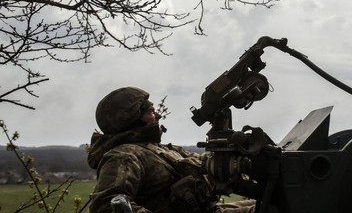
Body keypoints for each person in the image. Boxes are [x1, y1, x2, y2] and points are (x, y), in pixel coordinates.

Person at [87, 87, 255, 213]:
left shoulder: (158, 150)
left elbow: (204, 163)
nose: (158, 115)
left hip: (211, 209)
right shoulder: (124, 156)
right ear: (132, 118)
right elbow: (105, 206)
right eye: (151, 111)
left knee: (273, 204)